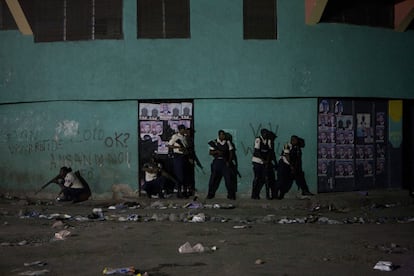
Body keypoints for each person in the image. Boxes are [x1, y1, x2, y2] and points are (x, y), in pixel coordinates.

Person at [206, 130, 236, 200]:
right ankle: (210, 194)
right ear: (219, 135)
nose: (223, 136)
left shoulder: (228, 142)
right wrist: (217, 152)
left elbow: (231, 152)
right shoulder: (215, 142)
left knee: (228, 180)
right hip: (217, 162)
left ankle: (230, 195)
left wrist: (229, 161)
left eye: (224, 135)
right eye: (221, 135)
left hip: (225, 162)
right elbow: (210, 152)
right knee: (213, 180)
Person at [251, 128, 274, 199]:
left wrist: (267, 160)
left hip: (265, 162)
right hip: (257, 161)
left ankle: (268, 195)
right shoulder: (258, 140)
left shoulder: (269, 141)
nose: (265, 135)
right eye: (264, 133)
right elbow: (257, 151)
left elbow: (270, 152)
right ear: (261, 134)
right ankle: (254, 194)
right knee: (257, 177)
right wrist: (263, 160)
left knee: (266, 178)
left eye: (266, 134)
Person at [168, 124, 189, 198]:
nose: (184, 131)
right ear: (180, 130)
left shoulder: (184, 137)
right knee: (179, 175)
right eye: (183, 129)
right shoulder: (175, 136)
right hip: (177, 156)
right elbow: (169, 145)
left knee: (185, 175)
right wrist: (178, 147)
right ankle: (179, 192)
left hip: (184, 157)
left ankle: (184, 191)